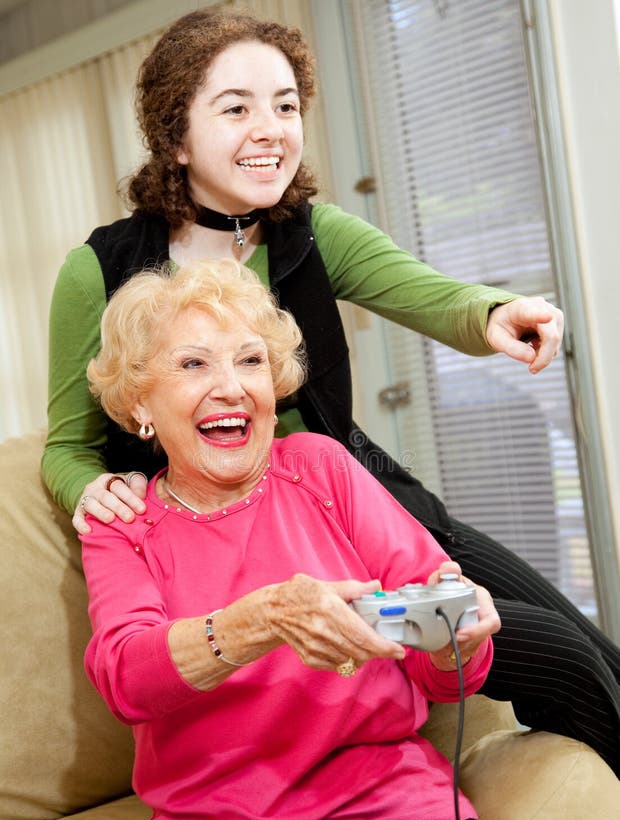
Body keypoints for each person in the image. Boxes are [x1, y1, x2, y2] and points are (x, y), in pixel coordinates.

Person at [43, 8, 620, 776]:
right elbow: (66, 448)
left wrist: (493, 312)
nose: (271, 128)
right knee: (559, 658)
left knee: (587, 642)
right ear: (176, 136)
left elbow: (432, 294)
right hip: (244, 545)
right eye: (236, 107)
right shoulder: (103, 271)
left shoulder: (312, 233)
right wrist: (97, 490)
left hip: (359, 499)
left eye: (286, 106)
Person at [82, 257, 498, 820]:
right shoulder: (124, 523)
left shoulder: (323, 469)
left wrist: (456, 641)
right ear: (139, 401)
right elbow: (126, 679)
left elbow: (443, 666)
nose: (231, 388)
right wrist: (264, 617)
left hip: (386, 817)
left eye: (250, 362)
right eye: (194, 364)